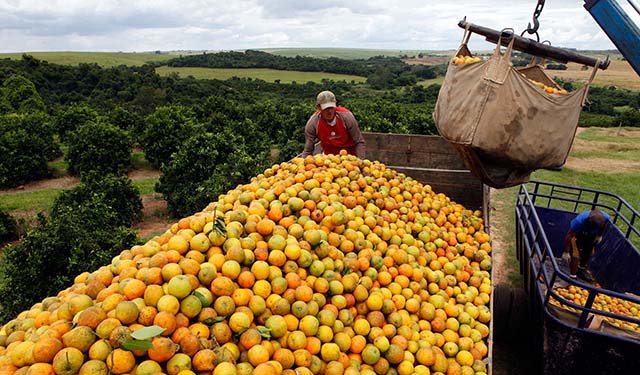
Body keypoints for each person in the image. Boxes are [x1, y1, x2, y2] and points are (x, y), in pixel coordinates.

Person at [301, 90, 366, 159]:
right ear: (319, 107)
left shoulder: (346, 117)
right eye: (326, 108)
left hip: (350, 158)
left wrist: (360, 161)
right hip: (329, 159)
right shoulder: (313, 123)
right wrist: (303, 164)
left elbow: (359, 141)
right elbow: (308, 150)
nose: (330, 111)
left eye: (331, 107)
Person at [562, 209, 610, 281]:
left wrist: (599, 235)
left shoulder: (605, 217)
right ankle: (573, 277)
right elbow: (569, 235)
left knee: (588, 251)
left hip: (591, 235)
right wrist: (566, 251)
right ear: (590, 221)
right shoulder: (578, 221)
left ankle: (581, 269)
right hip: (578, 234)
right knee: (576, 254)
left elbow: (604, 225)